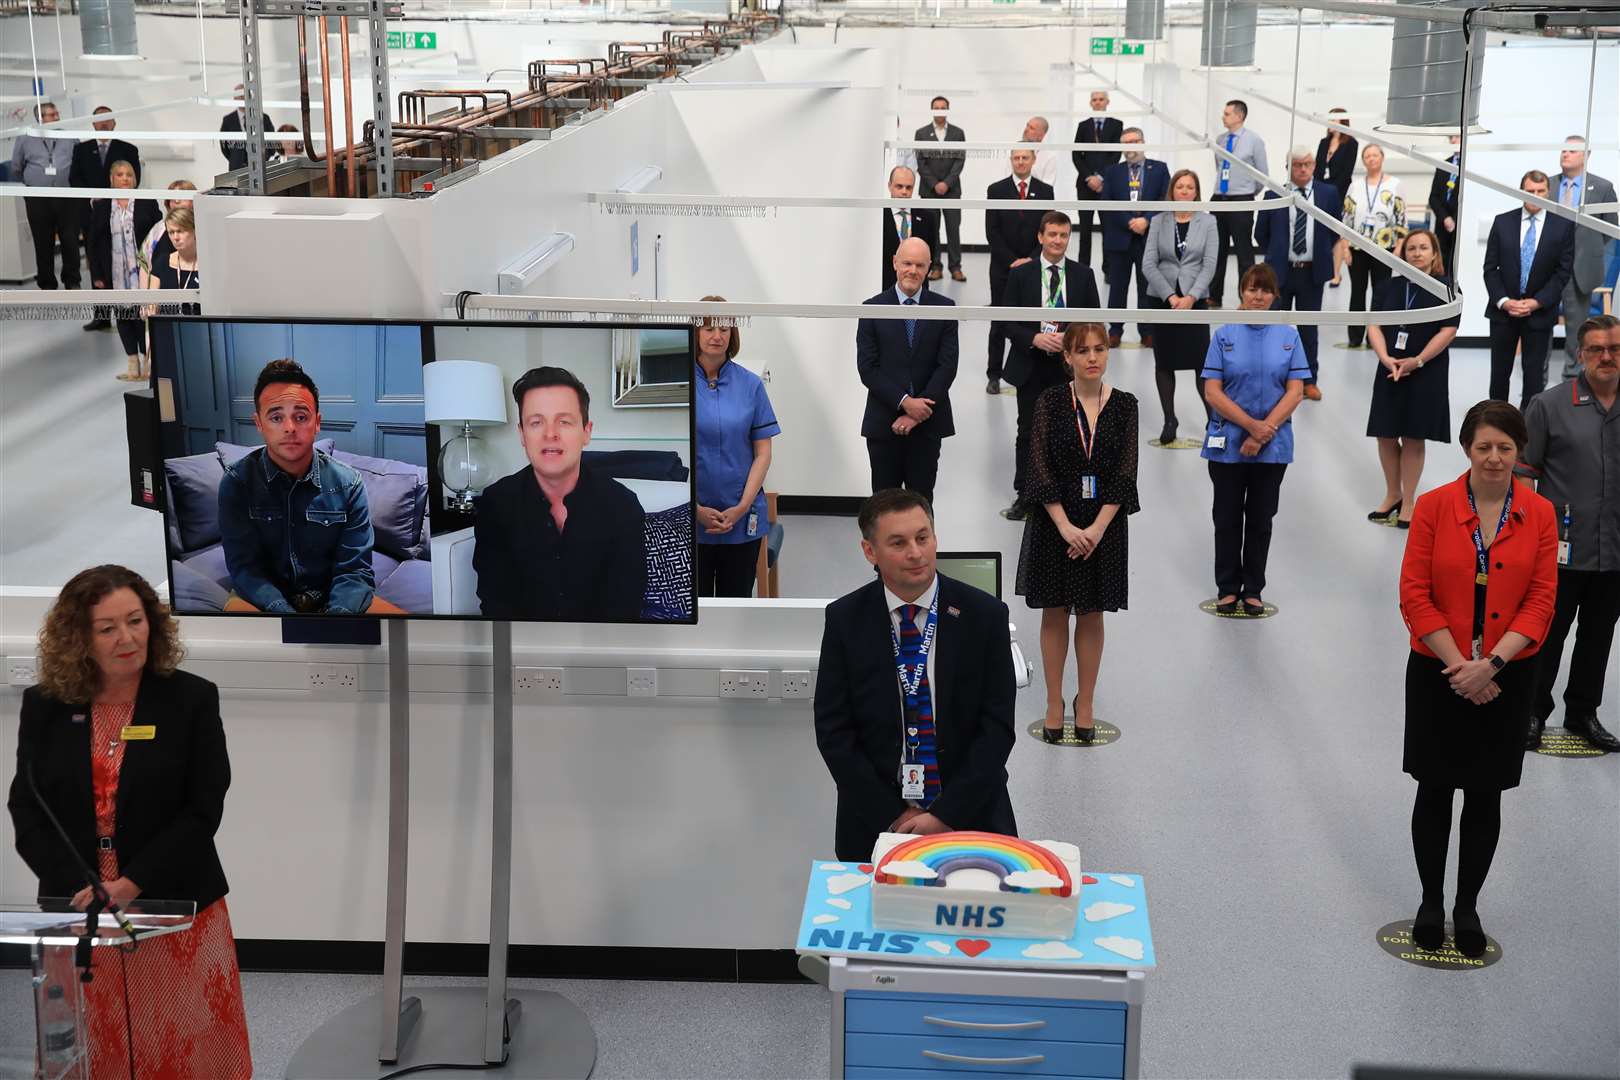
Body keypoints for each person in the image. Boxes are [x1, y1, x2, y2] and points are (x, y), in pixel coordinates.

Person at [7, 565, 252, 1077]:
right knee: (93, 1043)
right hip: (79, 906)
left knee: (181, 1040)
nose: (127, 638)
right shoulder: (47, 706)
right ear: (79, 639)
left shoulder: (190, 699)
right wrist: (84, 883)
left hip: (171, 899)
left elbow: (203, 808)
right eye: (108, 628)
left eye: (136, 620)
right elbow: (27, 807)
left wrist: (131, 882)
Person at [1397, 400, 1557, 957]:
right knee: (1435, 786)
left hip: (1506, 675)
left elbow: (1541, 602)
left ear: (1519, 453)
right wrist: (1458, 666)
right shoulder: (1435, 507)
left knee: (1485, 794)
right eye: (1484, 446)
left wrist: (1490, 666)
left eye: (1505, 449)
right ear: (1467, 448)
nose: (1494, 458)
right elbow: (1414, 594)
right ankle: (1431, 901)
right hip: (1438, 669)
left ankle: (1467, 906)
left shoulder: (1539, 514)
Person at [812, 489, 1017, 861]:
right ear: (870, 552)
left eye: (923, 537)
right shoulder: (845, 620)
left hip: (972, 813)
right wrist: (895, 816)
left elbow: (997, 729)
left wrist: (944, 814)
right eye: (898, 542)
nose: (916, 553)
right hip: (875, 823)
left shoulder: (984, 617)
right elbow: (833, 732)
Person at [1016, 323, 1139, 744]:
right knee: (1054, 611)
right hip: (1057, 523)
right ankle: (1054, 701)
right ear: (1066, 357)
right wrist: (1067, 526)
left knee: (1091, 613)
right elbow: (1039, 468)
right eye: (1082, 350)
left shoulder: (1125, 406)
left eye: (1099, 349)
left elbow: (1126, 473)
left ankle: (1084, 701)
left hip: (1103, 525)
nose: (1092, 357)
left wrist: (1097, 529)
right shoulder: (1050, 402)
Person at [216, 360, 399, 615]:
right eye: (276, 417)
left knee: (408, 636)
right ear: (259, 423)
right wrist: (285, 615)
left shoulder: (349, 484)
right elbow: (245, 569)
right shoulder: (237, 482)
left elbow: (354, 570)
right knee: (236, 634)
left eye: (301, 417)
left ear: (317, 422)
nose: (290, 427)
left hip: (333, 595)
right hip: (265, 598)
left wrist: (335, 620)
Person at [474, 366, 648, 621]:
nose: (550, 434)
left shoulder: (623, 505)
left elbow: (625, 605)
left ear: (586, 432)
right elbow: (495, 601)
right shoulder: (496, 503)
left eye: (564, 422)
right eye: (536, 422)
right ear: (522, 434)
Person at [1520, 314, 1620, 753]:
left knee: (1598, 637)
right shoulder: (1549, 405)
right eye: (1596, 349)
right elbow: (1524, 474)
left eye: (1615, 349)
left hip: (1614, 551)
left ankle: (1582, 713)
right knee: (1547, 635)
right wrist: (1528, 537)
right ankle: (1532, 712)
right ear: (1580, 354)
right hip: (1559, 551)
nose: (1606, 356)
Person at [1201, 265, 1309, 615]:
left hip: (1272, 446)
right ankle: (1228, 587)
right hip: (1227, 443)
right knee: (1227, 517)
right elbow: (1212, 392)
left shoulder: (1289, 335)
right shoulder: (1224, 334)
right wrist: (1250, 426)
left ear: (1274, 296)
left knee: (1261, 519)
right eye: (1251, 289)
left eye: (1264, 290)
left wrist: (1264, 431)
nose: (1258, 296)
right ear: (1242, 294)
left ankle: (1253, 589)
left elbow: (1296, 392)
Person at [1002, 212, 1101, 520]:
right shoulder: (1022, 274)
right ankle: (1026, 495)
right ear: (1040, 237)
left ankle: (1063, 496)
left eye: (1064, 235)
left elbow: (1093, 321)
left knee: (1069, 433)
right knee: (1028, 433)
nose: (1058, 240)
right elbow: (1006, 320)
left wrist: (1070, 341)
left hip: (1067, 368)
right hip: (1030, 363)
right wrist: (1034, 337)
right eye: (1053, 234)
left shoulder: (1083, 274)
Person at [1366, 230, 1459, 529]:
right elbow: (1374, 324)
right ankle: (1392, 493)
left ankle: (1409, 501)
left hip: (1425, 369)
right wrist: (1385, 358)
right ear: (1403, 254)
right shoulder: (1388, 287)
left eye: (1423, 248)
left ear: (1435, 254)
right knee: (1386, 432)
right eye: (1411, 249)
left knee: (1413, 434)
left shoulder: (1447, 288)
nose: (1417, 253)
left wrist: (1416, 361)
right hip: (1390, 366)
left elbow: (1448, 331)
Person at [856, 237, 959, 507]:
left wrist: (917, 413)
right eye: (907, 263)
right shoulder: (871, 309)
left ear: (928, 268)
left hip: (927, 425)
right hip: (884, 424)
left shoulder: (945, 308)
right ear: (894, 263)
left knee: (922, 504)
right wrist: (905, 402)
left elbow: (947, 366)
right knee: (883, 507)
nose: (913, 271)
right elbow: (868, 368)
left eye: (920, 265)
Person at [695, 298, 781, 598]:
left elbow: (763, 453)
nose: (717, 336)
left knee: (736, 610)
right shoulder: (678, 382)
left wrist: (742, 507)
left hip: (741, 519)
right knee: (695, 612)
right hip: (692, 518)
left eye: (724, 328)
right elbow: (670, 454)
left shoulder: (750, 385)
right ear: (694, 332)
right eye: (708, 328)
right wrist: (694, 510)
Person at [1483, 170, 1576, 409]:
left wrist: (1537, 302)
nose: (1535, 196)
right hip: (1504, 312)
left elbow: (1562, 273)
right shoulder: (1503, 222)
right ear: (1520, 192)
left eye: (1540, 191)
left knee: (1534, 375)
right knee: (1499, 373)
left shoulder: (1562, 227)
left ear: (1548, 192)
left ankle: (1529, 424)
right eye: (1529, 191)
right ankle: (1497, 418)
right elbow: (1490, 268)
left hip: (1539, 312)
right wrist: (1503, 300)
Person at [1255, 147, 1339, 401]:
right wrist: (1278, 253)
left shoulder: (1328, 193)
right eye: (1297, 164)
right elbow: (1261, 234)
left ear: (1314, 166)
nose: (1302, 169)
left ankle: (1308, 381)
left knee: (1308, 330)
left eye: (1307, 164)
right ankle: (1273, 379)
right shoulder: (1273, 194)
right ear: (1288, 167)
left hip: (1312, 272)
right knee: (1273, 328)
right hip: (1280, 272)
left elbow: (1334, 229)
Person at [1142, 168, 1218, 444]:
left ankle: (1213, 418)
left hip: (1194, 302)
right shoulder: (1159, 221)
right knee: (1164, 363)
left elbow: (1209, 265)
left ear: (1197, 191)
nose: (1184, 191)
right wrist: (1171, 297)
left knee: (1202, 364)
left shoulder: (1208, 222)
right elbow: (1148, 263)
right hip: (1163, 300)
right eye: (1179, 187)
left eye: (1189, 187)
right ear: (1172, 190)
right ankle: (1169, 419)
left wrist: (1191, 297)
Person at [985, 149, 1053, 394]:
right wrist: (1013, 261)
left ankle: (1028, 372)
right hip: (1003, 268)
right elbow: (992, 233)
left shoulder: (1045, 191)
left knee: (1030, 320)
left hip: (1035, 267)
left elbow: (1048, 230)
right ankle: (994, 375)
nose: (1021, 162)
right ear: (1011, 160)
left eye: (1025, 157)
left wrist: (1030, 260)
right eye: (1016, 158)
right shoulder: (996, 190)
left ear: (1034, 160)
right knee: (999, 322)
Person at [87, 160, 161, 382]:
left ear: (135, 178)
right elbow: (93, 243)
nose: (125, 178)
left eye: (129, 174)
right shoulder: (101, 206)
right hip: (114, 271)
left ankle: (147, 361)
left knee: (143, 315)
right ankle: (132, 361)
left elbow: (157, 237)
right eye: (119, 174)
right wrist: (97, 275)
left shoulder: (147, 203)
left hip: (143, 271)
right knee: (123, 316)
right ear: (111, 179)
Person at [71, 106, 142, 331]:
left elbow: (135, 178)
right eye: (98, 120)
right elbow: (75, 178)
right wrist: (95, 198)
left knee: (125, 262)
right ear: (92, 123)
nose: (103, 123)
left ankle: (131, 312)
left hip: (122, 212)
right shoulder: (81, 150)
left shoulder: (128, 149)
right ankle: (101, 316)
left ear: (114, 123)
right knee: (98, 264)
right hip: (93, 215)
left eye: (107, 119)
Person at [1553, 136, 1618, 379]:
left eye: (1572, 151)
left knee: (1577, 328)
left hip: (1580, 269)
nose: (1565, 155)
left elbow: (1610, 227)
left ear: (1586, 155)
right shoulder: (1547, 185)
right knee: (1539, 326)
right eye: (1563, 150)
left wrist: (1587, 249)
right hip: (1548, 267)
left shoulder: (1602, 187)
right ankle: (1537, 381)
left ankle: (1573, 378)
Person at [1098, 128, 1169, 348]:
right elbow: (1107, 202)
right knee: (1117, 286)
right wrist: (1129, 222)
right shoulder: (1112, 171)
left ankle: (1146, 331)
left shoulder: (1158, 169)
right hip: (1120, 236)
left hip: (1149, 236)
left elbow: (1164, 198)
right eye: (1125, 143)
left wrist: (1146, 220)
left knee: (1146, 286)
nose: (1130, 147)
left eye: (1134, 141)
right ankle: (1115, 330)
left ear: (1143, 142)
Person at [1343, 143, 1408, 349]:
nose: (1371, 159)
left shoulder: (1395, 184)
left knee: (1381, 292)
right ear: (1363, 161)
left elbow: (1401, 217)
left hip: (1383, 247)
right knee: (1357, 292)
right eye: (1367, 156)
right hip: (1357, 248)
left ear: (1382, 158)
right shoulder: (1355, 185)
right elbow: (1346, 217)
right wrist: (1345, 247)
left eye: (1375, 155)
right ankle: (1355, 336)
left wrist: (1399, 246)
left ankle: (1376, 337)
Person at [9, 102, 80, 291]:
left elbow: (78, 162)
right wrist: (32, 181)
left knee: (70, 239)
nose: (57, 116)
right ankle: (47, 283)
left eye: (57, 113)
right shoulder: (26, 137)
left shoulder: (69, 136)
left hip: (67, 196)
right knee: (42, 241)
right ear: (40, 118)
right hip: (38, 197)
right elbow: (16, 166)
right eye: (52, 114)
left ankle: (72, 280)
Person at [1209, 99, 1267, 307]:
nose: (1223, 117)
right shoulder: (1220, 139)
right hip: (1219, 198)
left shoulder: (1254, 140)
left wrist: (1247, 192)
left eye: (1226, 114)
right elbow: (1219, 166)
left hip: (1241, 199)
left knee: (1244, 252)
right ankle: (1214, 296)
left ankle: (1246, 298)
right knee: (1217, 249)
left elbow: (1262, 175)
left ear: (1239, 116)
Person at [915, 96, 965, 283]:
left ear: (948, 110)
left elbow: (960, 160)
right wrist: (935, 184)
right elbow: (921, 163)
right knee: (931, 230)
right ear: (931, 110)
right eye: (936, 107)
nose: (940, 110)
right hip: (929, 190)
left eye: (943, 107)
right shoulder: (921, 133)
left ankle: (955, 267)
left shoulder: (958, 133)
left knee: (953, 230)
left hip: (952, 191)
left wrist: (947, 183)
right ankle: (934, 266)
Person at [1072, 90, 1123, 268]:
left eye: (1101, 99)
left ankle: (1108, 268)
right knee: (1084, 230)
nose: (1098, 102)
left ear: (1107, 101)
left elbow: (1116, 154)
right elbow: (1076, 155)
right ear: (1090, 103)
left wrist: (1101, 177)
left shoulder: (1117, 125)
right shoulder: (1083, 125)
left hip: (1106, 185)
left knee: (1107, 228)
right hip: (1085, 185)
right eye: (1094, 100)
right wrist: (1089, 177)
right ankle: (1082, 268)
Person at [1315, 107, 1358, 288]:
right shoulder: (1323, 142)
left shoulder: (1351, 143)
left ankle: (1336, 274)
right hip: (1321, 191)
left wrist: (1331, 191)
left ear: (1343, 122)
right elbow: (1317, 168)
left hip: (1339, 192)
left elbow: (1346, 172)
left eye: (1334, 120)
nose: (1330, 123)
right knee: (1320, 231)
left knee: (1338, 234)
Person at [880, 166, 938, 292]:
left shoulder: (928, 218)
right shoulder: (877, 218)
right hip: (884, 288)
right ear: (889, 186)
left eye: (909, 187)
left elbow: (931, 254)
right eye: (899, 186)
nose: (904, 192)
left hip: (918, 289)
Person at [140, 180, 198, 274]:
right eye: (173, 197)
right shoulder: (158, 230)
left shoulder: (203, 226)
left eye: (182, 197)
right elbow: (144, 263)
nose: (177, 201)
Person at [219, 85, 275, 172]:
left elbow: (272, 142)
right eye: (239, 96)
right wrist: (235, 158)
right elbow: (224, 147)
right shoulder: (228, 120)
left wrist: (265, 157)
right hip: (236, 169)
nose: (242, 98)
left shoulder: (263, 118)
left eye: (244, 95)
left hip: (260, 168)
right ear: (234, 99)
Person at [1427, 134, 1462, 276]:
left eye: (1456, 137)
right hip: (1442, 225)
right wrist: (1446, 218)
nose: (1453, 141)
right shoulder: (1443, 165)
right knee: (1441, 267)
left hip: (1461, 225)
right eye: (1451, 138)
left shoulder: (1472, 165)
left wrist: (1454, 219)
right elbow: (1433, 197)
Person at [1021, 114, 1060, 191]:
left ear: (1041, 136)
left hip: (1038, 198)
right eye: (1027, 126)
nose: (1026, 130)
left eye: (1031, 128)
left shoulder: (1049, 157)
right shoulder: (1015, 152)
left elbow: (1048, 186)